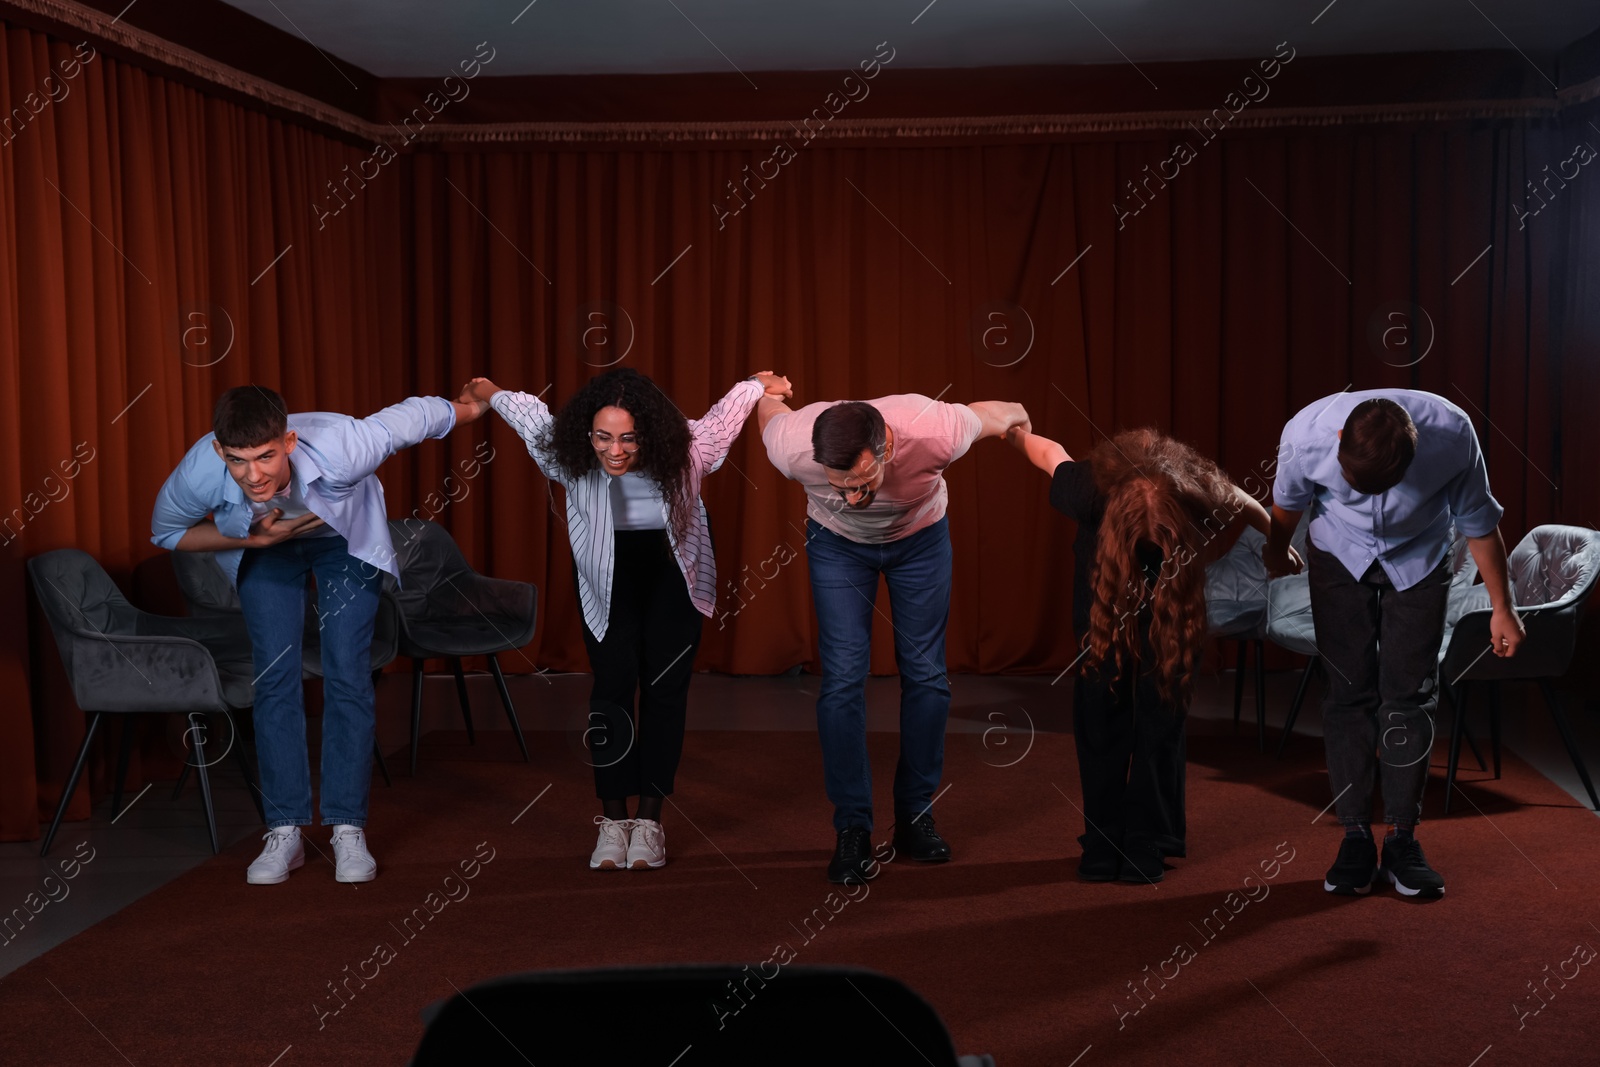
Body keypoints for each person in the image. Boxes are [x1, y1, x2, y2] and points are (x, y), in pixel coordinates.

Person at [151, 385, 488, 885]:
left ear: (287, 441)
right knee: (274, 677)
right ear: (220, 451)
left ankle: (347, 827)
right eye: (239, 461)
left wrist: (474, 406)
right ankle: (284, 829)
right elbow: (167, 532)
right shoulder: (201, 467)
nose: (254, 474)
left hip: (341, 543)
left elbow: (413, 417)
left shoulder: (343, 444)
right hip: (265, 547)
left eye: (265, 456)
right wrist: (253, 537)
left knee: (348, 673)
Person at [462, 368, 788, 870]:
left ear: (650, 435)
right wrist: (488, 391)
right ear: (586, 435)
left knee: (664, 691)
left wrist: (758, 385)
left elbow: (724, 419)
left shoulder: (688, 452)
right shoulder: (563, 452)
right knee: (612, 690)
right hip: (604, 574)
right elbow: (525, 412)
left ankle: (651, 821)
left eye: (629, 439)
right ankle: (613, 821)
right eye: (603, 437)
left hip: (673, 570)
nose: (615, 451)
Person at [756, 390, 1029, 883]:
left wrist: (1025, 427)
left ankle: (915, 816)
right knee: (841, 681)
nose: (852, 498)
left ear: (886, 448)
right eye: (839, 485)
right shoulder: (791, 446)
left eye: (861, 483)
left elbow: (1001, 414)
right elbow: (769, 411)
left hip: (919, 542)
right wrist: (764, 386)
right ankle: (853, 828)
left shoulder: (935, 430)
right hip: (837, 548)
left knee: (926, 675)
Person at [1265, 390, 1523, 899]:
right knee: (1347, 694)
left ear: (1416, 451)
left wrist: (1503, 607)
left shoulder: (1452, 434)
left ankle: (1402, 839)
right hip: (1338, 554)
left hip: (1421, 558)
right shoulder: (1306, 433)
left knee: (1409, 695)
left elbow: (1479, 524)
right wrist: (1275, 555)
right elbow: (1286, 506)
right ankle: (1356, 836)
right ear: (1339, 442)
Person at [1009, 425, 1285, 882]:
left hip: (1170, 618)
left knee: (1161, 724)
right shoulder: (1087, 490)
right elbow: (1048, 453)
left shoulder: (1196, 488)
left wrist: (1277, 543)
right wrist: (1012, 431)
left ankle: (1146, 840)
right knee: (1100, 722)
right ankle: (1102, 840)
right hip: (1102, 614)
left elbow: (1239, 497)